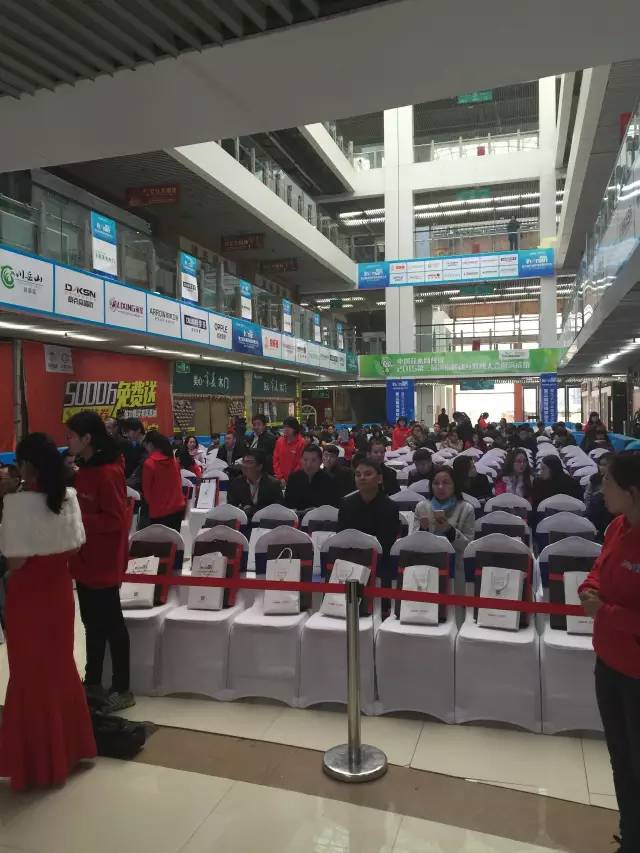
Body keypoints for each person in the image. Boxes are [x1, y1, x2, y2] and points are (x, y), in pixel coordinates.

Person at [0, 432, 95, 791]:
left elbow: (15, 561)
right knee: (59, 668)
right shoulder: (68, 497)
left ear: (26, 465)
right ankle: (70, 749)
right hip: (58, 593)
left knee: (28, 675)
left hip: (28, 598)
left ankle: (37, 762)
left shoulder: (18, 505)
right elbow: (75, 547)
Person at [579, 452, 640, 852]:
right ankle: (631, 835)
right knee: (621, 757)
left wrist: (606, 612)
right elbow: (599, 570)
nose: (602, 489)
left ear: (631, 492)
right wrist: (589, 587)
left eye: (608, 483)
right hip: (608, 659)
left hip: (636, 670)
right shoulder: (617, 526)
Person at [65, 411, 133, 712]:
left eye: (71, 436)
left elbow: (117, 521)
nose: (67, 441)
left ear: (87, 439)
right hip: (83, 560)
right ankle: (92, 681)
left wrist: (80, 519)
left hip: (103, 562)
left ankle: (122, 687)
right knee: (90, 624)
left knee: (112, 625)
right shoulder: (83, 471)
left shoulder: (108, 473)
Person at [338, 457, 401, 579]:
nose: (362, 478)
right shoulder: (346, 504)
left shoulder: (390, 507)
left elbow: (387, 544)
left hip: (380, 564)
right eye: (358, 475)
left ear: (379, 479)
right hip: (350, 561)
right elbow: (342, 537)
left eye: (367, 474)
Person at [415, 466, 475, 582]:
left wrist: (449, 530)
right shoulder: (422, 507)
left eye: (446, 483)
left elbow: (468, 547)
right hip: (426, 564)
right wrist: (423, 530)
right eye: (436, 483)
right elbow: (413, 545)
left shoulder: (466, 509)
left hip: (455, 566)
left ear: (454, 485)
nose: (440, 487)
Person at [142, 430, 186, 530]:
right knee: (174, 538)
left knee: (160, 540)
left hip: (159, 511)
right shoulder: (173, 461)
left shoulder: (149, 463)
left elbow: (147, 491)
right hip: (177, 508)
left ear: (150, 444)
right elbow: (179, 483)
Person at [227, 448, 283, 519]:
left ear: (259, 466)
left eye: (249, 462)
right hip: (243, 523)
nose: (245, 466)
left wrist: (252, 510)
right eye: (244, 462)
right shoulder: (236, 483)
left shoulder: (273, 484)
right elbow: (231, 507)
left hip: (265, 522)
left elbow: (277, 509)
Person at [285, 445, 340, 512]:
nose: (308, 464)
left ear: (321, 461)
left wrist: (317, 511)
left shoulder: (330, 480)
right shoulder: (293, 478)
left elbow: (334, 507)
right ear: (301, 460)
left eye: (313, 460)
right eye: (305, 460)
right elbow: (287, 505)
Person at [585, 452, 615, 539]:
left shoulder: (619, 482)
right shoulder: (594, 479)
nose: (601, 467)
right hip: (595, 514)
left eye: (605, 465)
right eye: (600, 464)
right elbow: (587, 497)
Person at [273, 417, 306, 487]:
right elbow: (275, 460)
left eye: (289, 427)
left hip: (296, 479)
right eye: (284, 427)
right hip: (281, 480)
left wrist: (292, 478)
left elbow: (301, 463)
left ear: (295, 428)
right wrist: (280, 477)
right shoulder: (279, 441)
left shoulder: (301, 442)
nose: (286, 429)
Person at [123, 417, 146, 487]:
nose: (126, 435)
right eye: (125, 432)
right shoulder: (137, 445)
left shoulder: (148, 446)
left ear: (138, 430)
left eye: (128, 431)